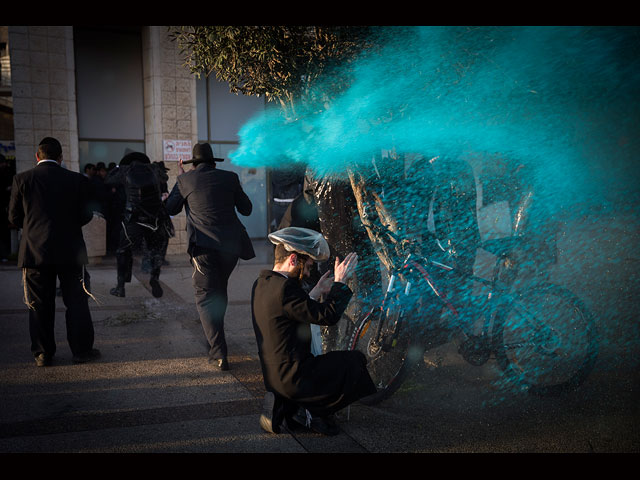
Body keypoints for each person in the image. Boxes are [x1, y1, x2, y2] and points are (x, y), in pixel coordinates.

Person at [252, 227, 377, 436]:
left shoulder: (263, 283)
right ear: (293, 259)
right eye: (307, 266)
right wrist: (340, 283)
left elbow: (290, 312)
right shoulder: (286, 289)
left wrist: (316, 291)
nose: (308, 272)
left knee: (331, 363)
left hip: (274, 377)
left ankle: (290, 405)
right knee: (355, 361)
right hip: (295, 379)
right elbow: (327, 316)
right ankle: (314, 409)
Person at [7, 137, 99, 366]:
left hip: (35, 253)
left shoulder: (22, 180)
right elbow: (86, 214)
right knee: (76, 302)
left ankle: (42, 353)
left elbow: (14, 217)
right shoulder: (77, 180)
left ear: (37, 157)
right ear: (60, 158)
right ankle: (81, 351)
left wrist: (33, 229)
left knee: (39, 304)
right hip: (71, 251)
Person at [165, 142, 255, 371]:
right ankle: (214, 340)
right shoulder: (230, 178)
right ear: (214, 162)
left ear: (193, 164)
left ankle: (218, 354)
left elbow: (170, 209)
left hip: (204, 250)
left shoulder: (185, 180)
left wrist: (180, 181)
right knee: (219, 291)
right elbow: (247, 209)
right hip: (231, 249)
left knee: (205, 297)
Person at [104, 151, 171, 298]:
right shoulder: (154, 169)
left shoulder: (125, 170)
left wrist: (117, 167)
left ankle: (120, 287)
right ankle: (154, 277)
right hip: (155, 220)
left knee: (122, 250)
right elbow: (165, 177)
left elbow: (108, 180)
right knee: (155, 250)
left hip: (133, 219)